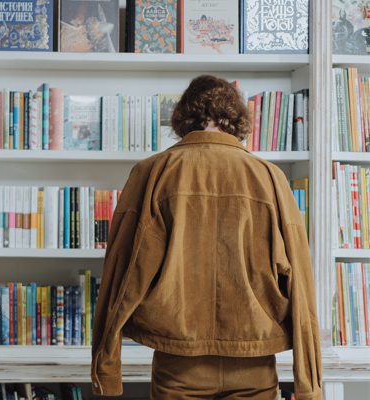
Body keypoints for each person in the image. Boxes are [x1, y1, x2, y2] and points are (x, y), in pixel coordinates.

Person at [91, 75, 322, 400]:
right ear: (237, 119)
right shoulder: (270, 177)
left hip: (178, 361)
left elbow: (121, 273)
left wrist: (106, 368)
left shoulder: (153, 172)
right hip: (254, 362)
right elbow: (300, 282)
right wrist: (309, 387)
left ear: (184, 117)